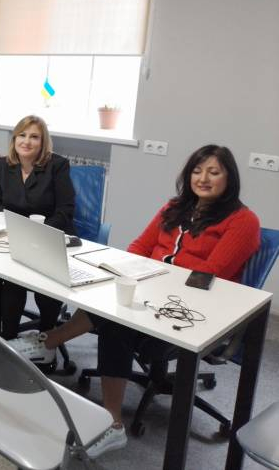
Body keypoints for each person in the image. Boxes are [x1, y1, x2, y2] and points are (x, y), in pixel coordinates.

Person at [16, 144, 260, 458]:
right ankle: (50, 344)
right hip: (151, 292)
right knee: (103, 295)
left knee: (115, 321)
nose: (203, 178)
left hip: (193, 310)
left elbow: (210, 273)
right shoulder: (175, 207)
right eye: (197, 171)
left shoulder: (243, 221)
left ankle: (110, 421)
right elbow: (140, 246)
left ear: (230, 178)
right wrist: (130, 272)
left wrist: (154, 273)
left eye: (214, 172)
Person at [0, 115, 76, 342]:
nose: (27, 141)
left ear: (43, 141)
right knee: (10, 282)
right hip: (16, 239)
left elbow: (66, 210)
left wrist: (38, 234)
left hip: (51, 237)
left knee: (45, 287)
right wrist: (14, 231)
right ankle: (7, 340)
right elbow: (0, 204)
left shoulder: (57, 165)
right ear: (14, 139)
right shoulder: (3, 165)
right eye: (22, 135)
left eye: (34, 137)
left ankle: (47, 339)